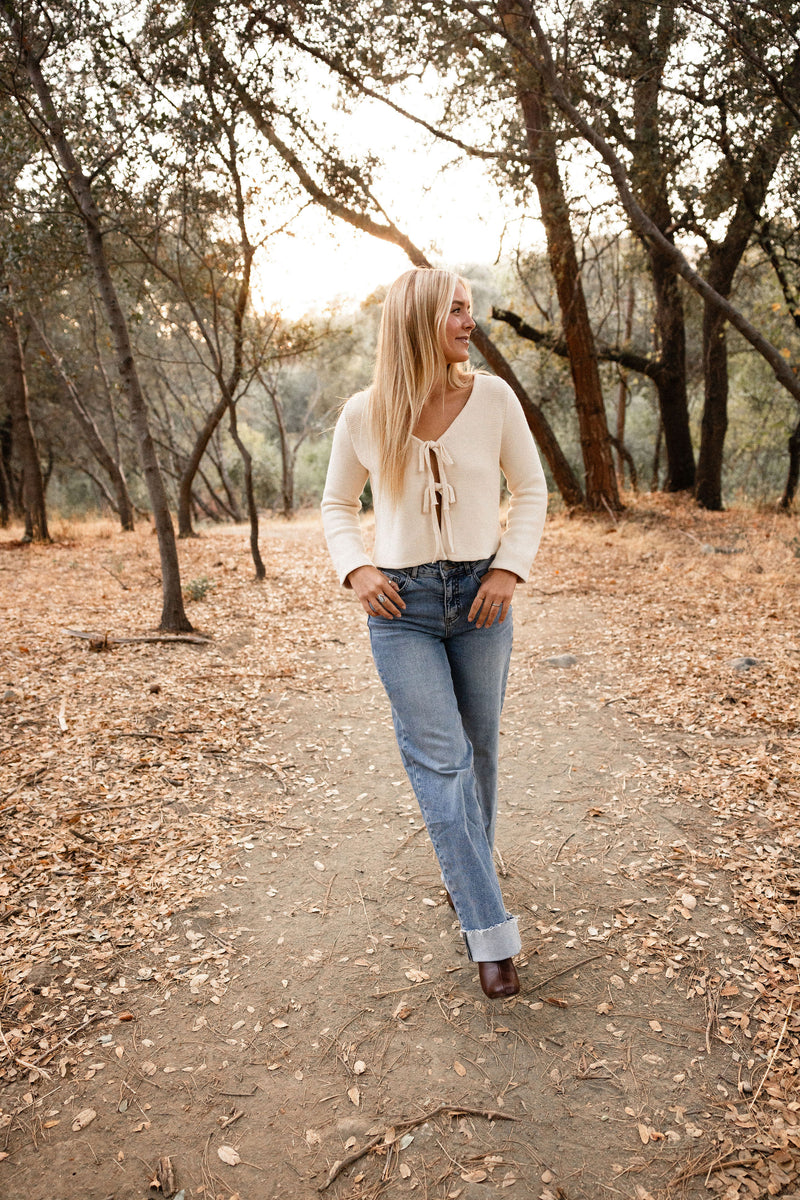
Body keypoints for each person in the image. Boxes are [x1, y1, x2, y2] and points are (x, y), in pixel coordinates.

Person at [321, 267, 548, 999]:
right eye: (454, 310)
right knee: (442, 761)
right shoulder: (365, 413)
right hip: (402, 610)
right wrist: (357, 570)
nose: (468, 322)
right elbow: (334, 505)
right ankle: (490, 933)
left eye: (469, 309)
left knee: (479, 747)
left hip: (483, 598)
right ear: (418, 318)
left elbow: (534, 489)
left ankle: (466, 869)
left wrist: (509, 570)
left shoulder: (494, 399)